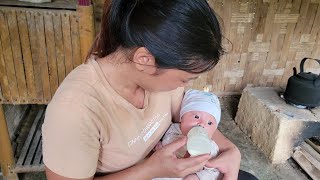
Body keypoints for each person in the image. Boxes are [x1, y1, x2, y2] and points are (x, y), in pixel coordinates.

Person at [42, 0, 243, 179]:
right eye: (184, 79)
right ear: (145, 60)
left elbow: (187, 117)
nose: (185, 87)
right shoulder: (74, 111)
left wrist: (231, 150)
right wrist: (151, 170)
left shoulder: (160, 78)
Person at [154, 89, 223, 180]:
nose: (202, 124)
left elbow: (214, 171)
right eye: (196, 117)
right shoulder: (171, 129)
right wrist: (160, 149)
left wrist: (198, 177)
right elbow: (164, 145)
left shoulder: (210, 147)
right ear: (182, 118)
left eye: (210, 123)